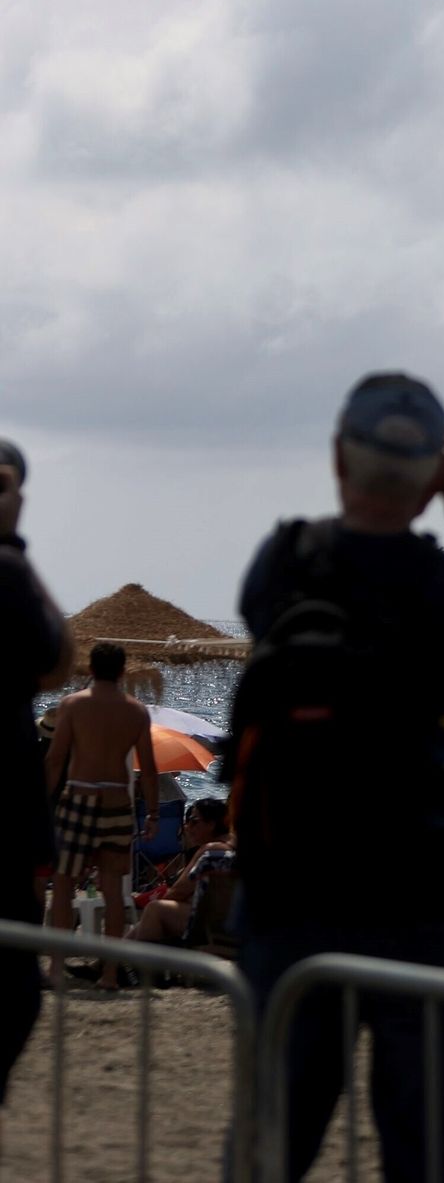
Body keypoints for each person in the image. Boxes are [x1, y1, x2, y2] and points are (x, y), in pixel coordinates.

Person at [231, 371, 444, 1183]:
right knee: (425, 1156)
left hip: (291, 899)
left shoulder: (284, 563)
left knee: (269, 1145)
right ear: (432, 482)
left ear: (337, 459)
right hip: (427, 909)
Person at [0, 439, 71, 1146]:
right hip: (10, 819)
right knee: (13, 992)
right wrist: (12, 538)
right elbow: (57, 661)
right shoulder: (8, 571)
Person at [44, 640, 161, 984]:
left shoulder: (73, 704)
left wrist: (41, 802)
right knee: (112, 890)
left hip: (79, 796)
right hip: (116, 801)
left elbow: (55, 759)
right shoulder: (136, 711)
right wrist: (153, 813)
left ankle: (56, 967)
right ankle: (109, 973)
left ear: (91, 668)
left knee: (63, 885)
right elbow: (149, 770)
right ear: (123, 672)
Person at [129, 798, 233, 947]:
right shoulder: (240, 846)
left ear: (211, 824)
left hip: (213, 927)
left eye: (193, 821)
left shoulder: (210, 851)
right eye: (187, 821)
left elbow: (177, 892)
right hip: (243, 924)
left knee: (155, 909)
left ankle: (136, 960)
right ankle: (116, 955)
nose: (187, 827)